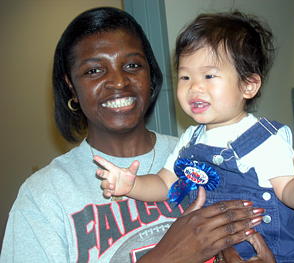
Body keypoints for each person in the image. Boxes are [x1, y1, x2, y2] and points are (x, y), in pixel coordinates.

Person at [0, 7, 274, 263]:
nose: (119, 82)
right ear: (71, 85)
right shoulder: (43, 196)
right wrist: (167, 256)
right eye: (93, 70)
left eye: (132, 66)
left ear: (151, 75)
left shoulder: (202, 155)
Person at [95, 11, 294, 262]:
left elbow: (287, 192)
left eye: (208, 75)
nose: (194, 86)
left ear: (248, 85)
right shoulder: (190, 140)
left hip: (270, 253)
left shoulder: (265, 139)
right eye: (185, 77)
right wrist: (132, 185)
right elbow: (164, 184)